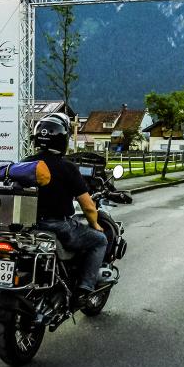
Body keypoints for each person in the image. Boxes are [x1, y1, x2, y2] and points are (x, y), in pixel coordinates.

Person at [24, 112, 106, 304]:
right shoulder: (67, 168)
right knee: (99, 240)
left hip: (29, 225)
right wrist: (95, 224)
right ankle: (85, 287)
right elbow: (88, 206)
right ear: (63, 139)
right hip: (56, 226)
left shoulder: (26, 163)